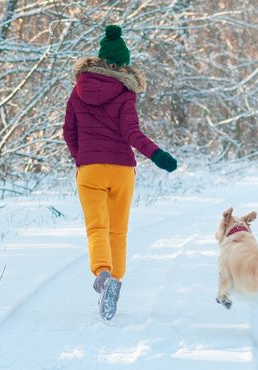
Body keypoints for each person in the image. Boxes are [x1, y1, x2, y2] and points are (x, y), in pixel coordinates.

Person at [62, 25, 178, 320]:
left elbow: (68, 132)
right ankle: (116, 278)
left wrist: (81, 157)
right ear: (123, 63)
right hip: (121, 170)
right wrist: (156, 154)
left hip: (89, 170)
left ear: (99, 60)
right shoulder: (126, 93)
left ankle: (103, 276)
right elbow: (131, 133)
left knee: (96, 229)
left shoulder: (78, 91)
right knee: (118, 230)